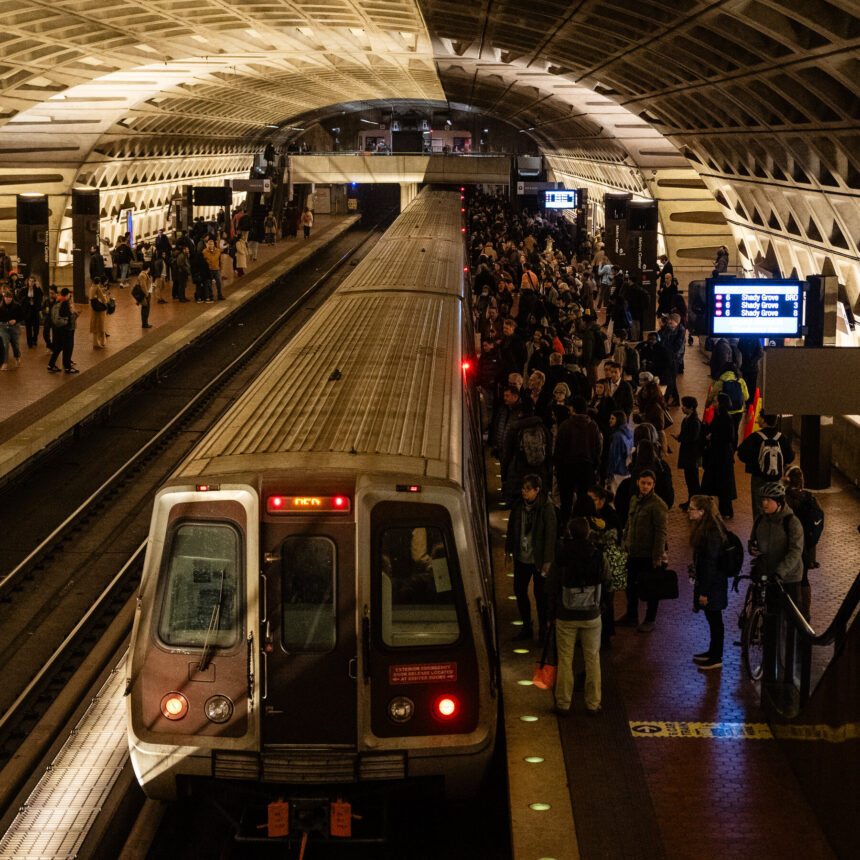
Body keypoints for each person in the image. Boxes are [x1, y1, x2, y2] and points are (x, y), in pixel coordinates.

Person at [547, 517, 607, 715]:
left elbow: (552, 585)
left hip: (566, 614)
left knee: (565, 659)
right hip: (591, 614)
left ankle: (563, 703)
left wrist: (552, 611)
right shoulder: (597, 555)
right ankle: (593, 703)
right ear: (588, 532)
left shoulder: (562, 555)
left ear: (569, 533)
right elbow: (608, 581)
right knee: (592, 658)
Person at [505, 474, 557, 642]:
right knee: (519, 590)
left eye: (528, 489)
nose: (524, 492)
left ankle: (543, 629)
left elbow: (551, 535)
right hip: (522, 557)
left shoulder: (546, 508)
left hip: (538, 559)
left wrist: (548, 561)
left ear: (537, 490)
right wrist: (509, 550)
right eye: (523, 488)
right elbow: (512, 528)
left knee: (540, 595)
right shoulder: (519, 506)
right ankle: (527, 625)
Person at [620, 470, 668, 632]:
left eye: (649, 483)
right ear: (637, 483)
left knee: (650, 588)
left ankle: (650, 619)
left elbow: (661, 532)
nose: (645, 486)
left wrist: (657, 556)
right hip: (634, 552)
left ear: (653, 485)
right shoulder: (634, 500)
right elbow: (629, 522)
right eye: (643, 483)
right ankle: (632, 615)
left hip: (648, 554)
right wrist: (625, 542)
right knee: (630, 586)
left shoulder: (658, 505)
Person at [688, 495, 730, 670]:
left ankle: (716, 656)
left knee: (715, 619)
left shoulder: (711, 533)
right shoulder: (708, 529)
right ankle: (712, 653)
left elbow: (710, 565)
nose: (688, 511)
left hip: (713, 586)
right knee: (713, 619)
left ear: (701, 512)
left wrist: (704, 592)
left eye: (691, 509)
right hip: (713, 584)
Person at [749, 482, 804, 612]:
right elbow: (753, 540)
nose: (764, 504)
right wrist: (752, 548)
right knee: (770, 614)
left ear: (779, 503)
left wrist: (780, 572)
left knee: (790, 616)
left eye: (769, 500)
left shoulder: (791, 522)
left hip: (788, 578)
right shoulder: (760, 519)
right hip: (767, 574)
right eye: (763, 500)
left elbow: (795, 551)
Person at [554, 396, 602, 522]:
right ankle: (583, 527)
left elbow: (559, 449)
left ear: (573, 409)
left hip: (567, 469)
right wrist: (595, 467)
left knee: (566, 501)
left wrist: (557, 468)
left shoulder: (565, 425)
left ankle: (564, 527)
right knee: (584, 501)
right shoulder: (593, 426)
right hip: (586, 468)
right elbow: (597, 449)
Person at [783, 466, 823, 620]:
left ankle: (789, 608)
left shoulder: (785, 499)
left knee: (788, 577)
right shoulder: (810, 498)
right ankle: (805, 612)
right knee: (804, 578)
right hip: (807, 547)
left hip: (790, 545)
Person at [737, 413, 794, 518]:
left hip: (759, 477)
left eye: (759, 417)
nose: (758, 419)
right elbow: (790, 457)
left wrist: (755, 463)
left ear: (763, 420)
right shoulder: (782, 438)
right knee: (776, 507)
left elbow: (741, 453)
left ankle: (759, 531)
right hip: (776, 478)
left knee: (759, 508)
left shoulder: (755, 437)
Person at [701, 393, 737, 519]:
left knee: (721, 485)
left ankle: (724, 511)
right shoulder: (721, 416)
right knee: (719, 484)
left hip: (721, 457)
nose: (713, 403)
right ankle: (718, 510)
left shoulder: (725, 418)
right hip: (718, 456)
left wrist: (712, 437)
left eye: (715, 402)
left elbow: (729, 437)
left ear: (721, 404)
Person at [675, 396, 702, 510]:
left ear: (690, 408)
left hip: (692, 455)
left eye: (684, 406)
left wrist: (680, 438)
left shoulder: (695, 421)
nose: (682, 408)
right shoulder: (687, 419)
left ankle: (696, 502)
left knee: (693, 481)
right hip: (688, 454)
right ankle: (691, 500)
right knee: (689, 480)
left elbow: (692, 437)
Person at [47, 288, 79, 373]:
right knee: (68, 347)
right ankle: (67, 367)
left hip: (58, 329)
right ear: (67, 295)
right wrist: (75, 314)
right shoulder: (65, 303)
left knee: (58, 347)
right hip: (67, 329)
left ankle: (51, 364)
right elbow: (69, 318)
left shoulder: (58, 302)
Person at [0, 289, 24, 370]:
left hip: (14, 328)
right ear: (4, 298)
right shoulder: (0, 307)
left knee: (15, 345)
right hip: (3, 328)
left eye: (10, 298)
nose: (8, 299)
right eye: (6, 297)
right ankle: (5, 363)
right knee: (5, 345)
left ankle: (17, 357)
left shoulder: (16, 306)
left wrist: (15, 320)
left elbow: (22, 316)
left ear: (12, 298)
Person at [19, 276, 43, 348]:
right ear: (28, 281)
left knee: (36, 328)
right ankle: (29, 343)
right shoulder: (24, 290)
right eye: (30, 281)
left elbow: (41, 296)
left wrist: (39, 288)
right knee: (28, 328)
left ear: (34, 282)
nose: (31, 282)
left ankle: (34, 340)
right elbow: (19, 297)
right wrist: (26, 301)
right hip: (28, 310)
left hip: (35, 310)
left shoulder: (37, 289)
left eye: (33, 281)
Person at [88, 278, 109, 349]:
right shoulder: (97, 287)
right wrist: (105, 303)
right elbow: (102, 297)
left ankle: (96, 342)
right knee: (101, 325)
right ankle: (100, 342)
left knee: (95, 327)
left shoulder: (91, 287)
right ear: (99, 282)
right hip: (99, 310)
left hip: (93, 309)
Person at [201, 237, 224, 302]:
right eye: (209, 244)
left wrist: (221, 268)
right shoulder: (204, 252)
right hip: (209, 270)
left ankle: (220, 295)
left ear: (214, 244)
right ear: (207, 245)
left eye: (212, 244)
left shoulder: (218, 251)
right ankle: (211, 296)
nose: (211, 245)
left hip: (216, 269)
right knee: (209, 284)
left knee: (218, 283)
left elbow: (220, 260)